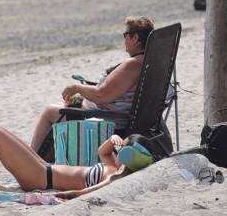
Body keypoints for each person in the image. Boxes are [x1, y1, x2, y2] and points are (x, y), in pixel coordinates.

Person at [29, 16, 155, 151]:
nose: (124, 39)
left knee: (49, 112)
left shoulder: (133, 64)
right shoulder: (148, 61)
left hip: (107, 123)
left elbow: (101, 95)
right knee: (60, 107)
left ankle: (32, 160)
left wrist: (77, 87)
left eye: (125, 35)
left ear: (135, 38)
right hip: (114, 116)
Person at [0, 125, 155, 200]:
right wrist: (113, 140)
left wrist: (66, 195)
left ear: (129, 155)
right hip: (44, 168)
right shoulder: (114, 167)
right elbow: (102, 152)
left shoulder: (115, 175)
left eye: (122, 148)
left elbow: (96, 189)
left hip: (41, 177)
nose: (117, 150)